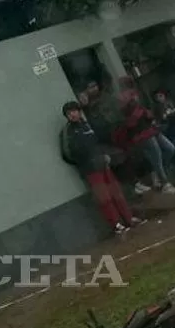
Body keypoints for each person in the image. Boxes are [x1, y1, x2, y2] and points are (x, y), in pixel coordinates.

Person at [60, 101, 145, 235]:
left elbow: (98, 142)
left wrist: (104, 155)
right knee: (104, 198)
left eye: (74, 111)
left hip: (103, 165)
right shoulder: (68, 132)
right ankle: (116, 224)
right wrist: (84, 162)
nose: (72, 114)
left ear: (79, 111)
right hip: (90, 170)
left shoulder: (87, 125)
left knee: (116, 192)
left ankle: (129, 218)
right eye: (69, 113)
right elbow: (67, 154)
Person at [113, 88, 175, 195]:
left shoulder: (139, 105)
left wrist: (151, 117)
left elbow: (149, 116)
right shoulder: (125, 108)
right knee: (157, 155)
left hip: (151, 130)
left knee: (170, 148)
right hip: (141, 136)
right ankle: (165, 184)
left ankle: (156, 173)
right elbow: (130, 124)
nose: (136, 97)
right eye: (133, 96)